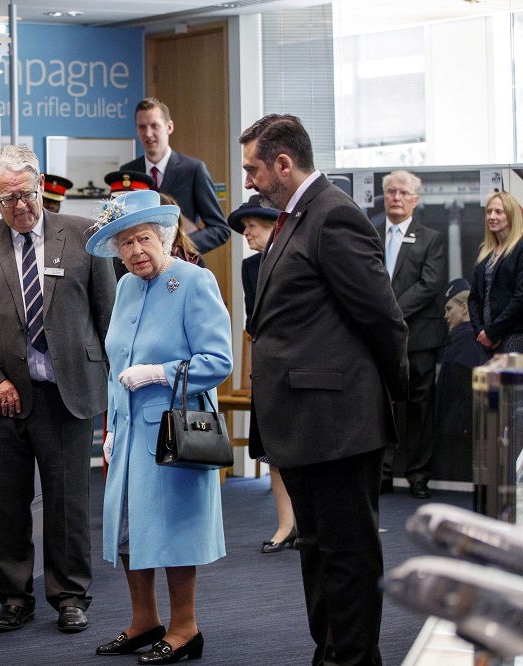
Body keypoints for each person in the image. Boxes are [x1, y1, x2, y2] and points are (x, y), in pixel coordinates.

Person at [239, 114, 408, 666]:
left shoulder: (334, 216)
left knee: (348, 557)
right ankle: (330, 655)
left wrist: (390, 400)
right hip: (307, 426)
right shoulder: (295, 217)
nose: (248, 182)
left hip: (340, 425)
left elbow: (383, 321)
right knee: (317, 552)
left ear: (284, 164)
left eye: (253, 169)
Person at [0, 144, 116, 634]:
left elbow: (107, 319)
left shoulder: (84, 235)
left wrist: (115, 391)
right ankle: (14, 598)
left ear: (39, 184)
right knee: (5, 503)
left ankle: (70, 596)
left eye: (25, 195)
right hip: (2, 400)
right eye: (6, 199)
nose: (19, 207)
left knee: (68, 503)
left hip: (66, 394)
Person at [86, 189, 232, 664]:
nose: (135, 252)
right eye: (125, 243)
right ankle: (144, 621)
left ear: (165, 237)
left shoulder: (193, 281)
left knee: (172, 529)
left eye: (143, 239)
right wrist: (109, 427)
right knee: (129, 528)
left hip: (173, 431)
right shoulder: (127, 286)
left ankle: (185, 627)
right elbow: (116, 362)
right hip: (128, 433)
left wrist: (160, 372)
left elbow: (219, 360)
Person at [228, 195, 296, 553]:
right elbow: (252, 318)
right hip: (268, 367)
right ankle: (286, 525)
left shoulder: (297, 258)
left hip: (300, 367)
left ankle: (307, 523)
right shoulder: (249, 267)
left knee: (301, 449)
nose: (247, 234)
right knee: (272, 451)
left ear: (274, 227)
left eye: (252, 227)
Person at [376, 170, 447, 500]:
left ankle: (419, 476)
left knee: (420, 408)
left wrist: (390, 312)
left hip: (420, 337)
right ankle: (383, 473)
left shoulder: (431, 238)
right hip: (380, 339)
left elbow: (430, 285)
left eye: (403, 193)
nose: (396, 197)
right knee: (381, 408)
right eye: (391, 191)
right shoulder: (372, 235)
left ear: (415, 200)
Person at [121, 98, 229, 257]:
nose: (148, 133)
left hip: (182, 266)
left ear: (169, 127)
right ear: (136, 130)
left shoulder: (193, 169)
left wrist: (180, 245)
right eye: (142, 127)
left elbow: (220, 230)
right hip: (139, 267)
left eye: (154, 125)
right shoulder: (128, 172)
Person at [434, 278, 481, 483]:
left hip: (458, 443)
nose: (446, 315)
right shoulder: (462, 340)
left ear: (464, 308)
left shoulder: (467, 340)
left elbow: (465, 398)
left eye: (449, 308)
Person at [469, 190, 523, 362]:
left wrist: (493, 332)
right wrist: (480, 332)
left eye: (498, 212)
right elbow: (474, 298)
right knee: (488, 389)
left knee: (511, 389)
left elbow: (520, 297)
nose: (491, 217)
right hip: (485, 341)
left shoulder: (520, 248)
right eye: (489, 212)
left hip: (512, 336)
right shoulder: (485, 251)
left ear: (511, 216)